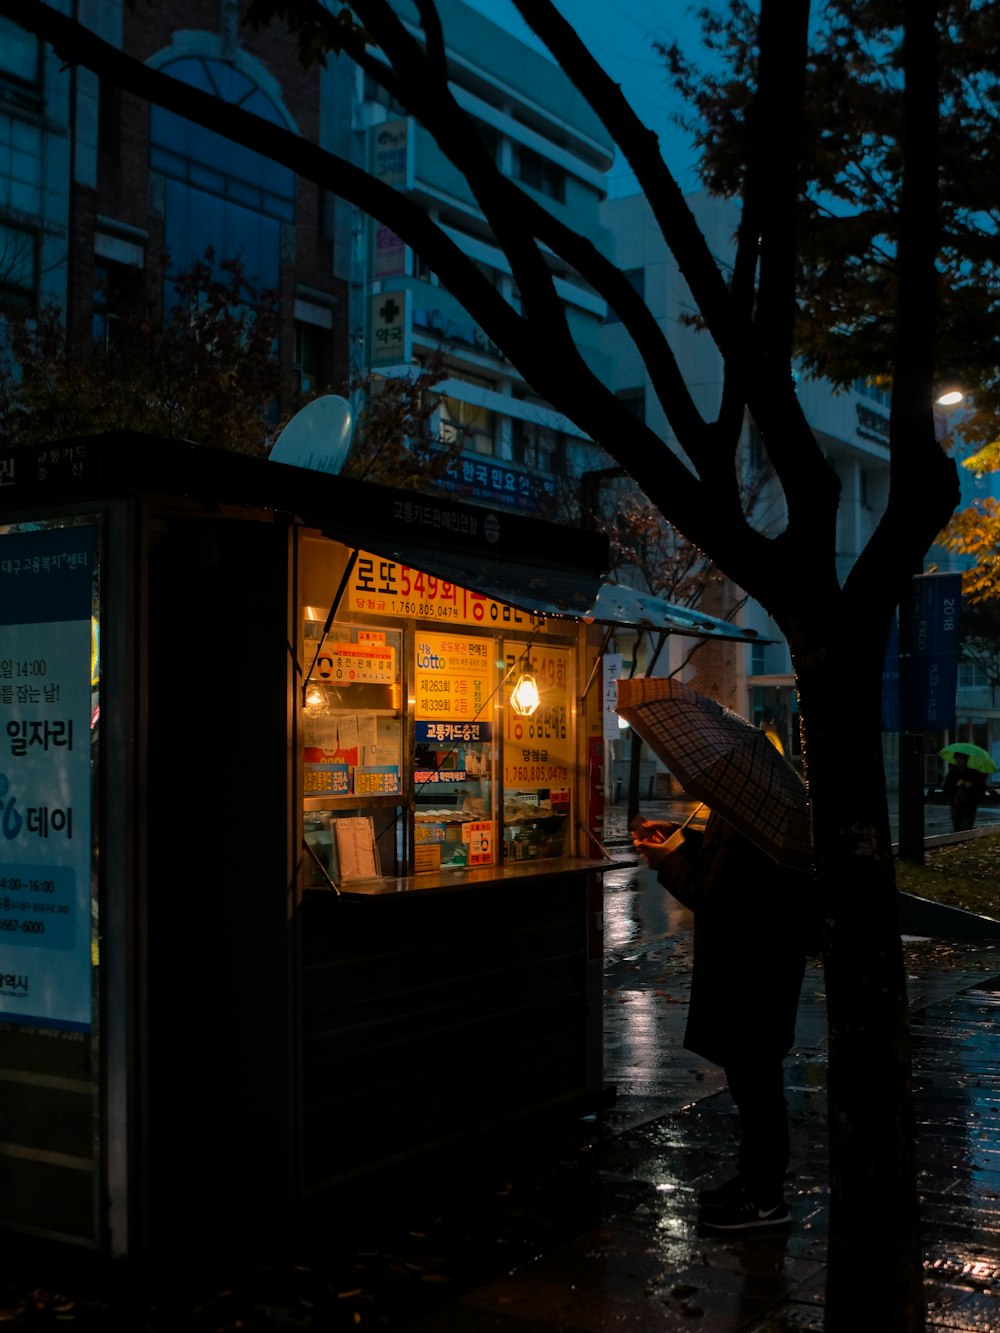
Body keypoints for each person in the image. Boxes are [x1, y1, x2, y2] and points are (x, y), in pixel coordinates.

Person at [632, 809, 819, 1232]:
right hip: (757, 969)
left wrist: (668, 861)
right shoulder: (745, 818)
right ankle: (754, 1181)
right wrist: (678, 844)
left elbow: (715, 895)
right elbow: (724, 863)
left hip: (752, 971)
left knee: (756, 1083)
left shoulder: (747, 821)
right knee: (751, 1080)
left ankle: (765, 1200)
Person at [942, 752, 987, 832]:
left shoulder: (973, 773)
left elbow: (981, 787)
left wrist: (971, 785)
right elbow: (946, 789)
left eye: (961, 759)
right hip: (955, 806)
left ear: (966, 760)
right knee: (957, 829)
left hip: (969, 806)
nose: (959, 761)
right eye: (957, 759)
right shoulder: (952, 773)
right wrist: (956, 785)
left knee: (965, 829)